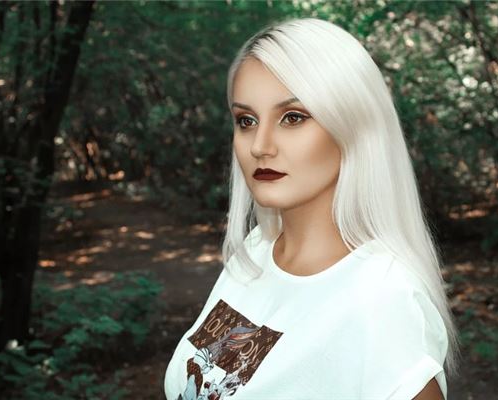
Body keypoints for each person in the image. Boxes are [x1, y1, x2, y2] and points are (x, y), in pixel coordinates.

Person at [164, 17, 461, 400]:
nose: (260, 146)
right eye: (246, 120)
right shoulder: (256, 251)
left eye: (293, 117)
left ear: (352, 126)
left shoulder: (381, 298)